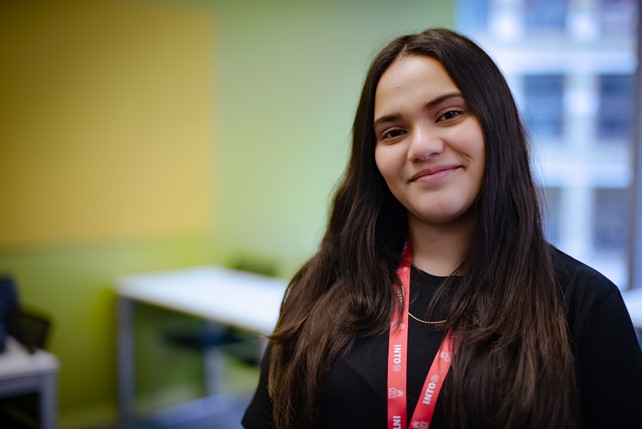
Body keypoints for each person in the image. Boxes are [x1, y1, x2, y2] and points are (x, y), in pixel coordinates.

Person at [242, 28, 642, 429]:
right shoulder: (322, 283)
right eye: (393, 132)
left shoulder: (584, 304)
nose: (421, 147)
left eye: (448, 114)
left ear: (495, 125)